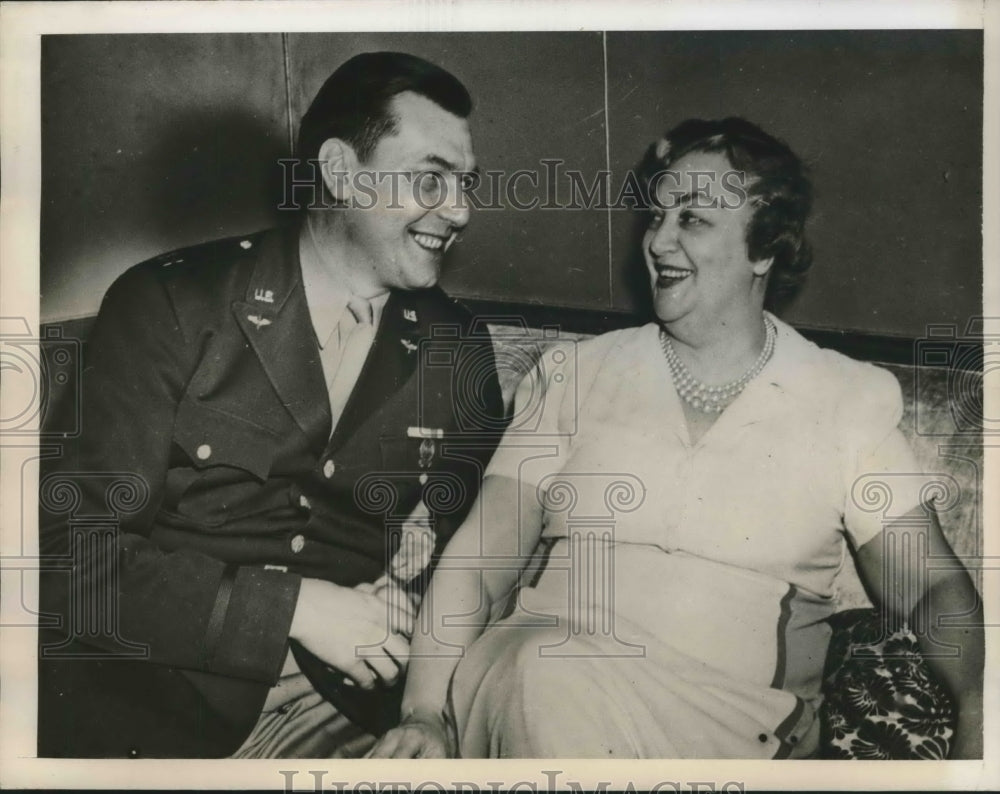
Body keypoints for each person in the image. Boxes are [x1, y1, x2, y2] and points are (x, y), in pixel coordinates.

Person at [367, 117, 984, 759]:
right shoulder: (574, 374)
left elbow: (933, 586)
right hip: (532, 682)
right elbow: (478, 563)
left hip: (726, 725)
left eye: (692, 220)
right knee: (546, 674)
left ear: (764, 250)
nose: (659, 242)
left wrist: (979, 712)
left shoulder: (847, 399)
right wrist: (423, 713)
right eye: (656, 217)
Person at [38, 52, 506, 758]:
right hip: (152, 702)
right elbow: (65, 558)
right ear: (342, 172)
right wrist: (295, 609)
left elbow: (475, 550)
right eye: (430, 179)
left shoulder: (457, 345)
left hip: (355, 705)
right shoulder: (170, 303)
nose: (462, 210)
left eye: (465, 184)